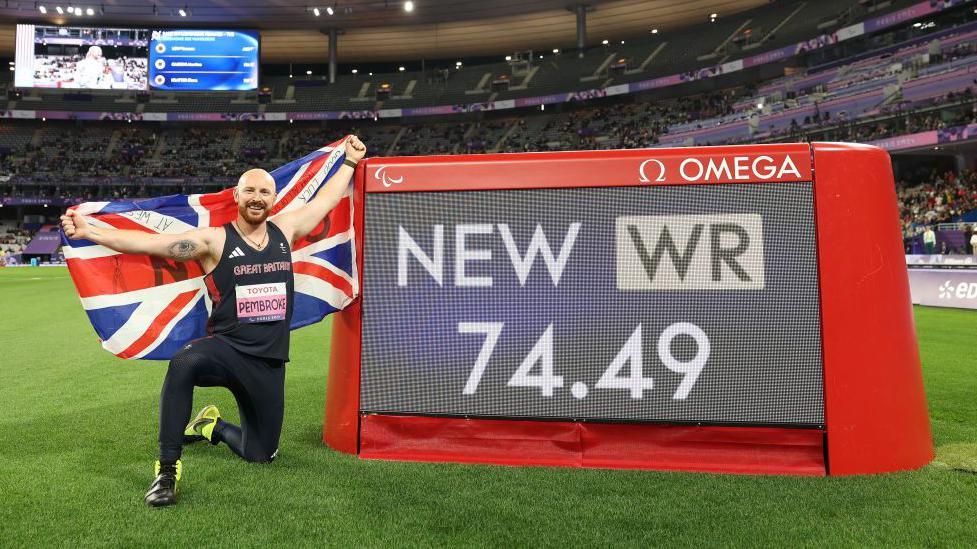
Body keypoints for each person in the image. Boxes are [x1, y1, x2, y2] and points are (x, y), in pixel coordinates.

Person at [60, 135, 367, 507]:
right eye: (249, 190)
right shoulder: (212, 241)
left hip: (268, 361)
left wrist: (349, 162)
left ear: (273, 199)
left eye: (264, 192)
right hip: (225, 351)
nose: (257, 197)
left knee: (262, 454)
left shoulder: (286, 230)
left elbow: (325, 201)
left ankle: (211, 425)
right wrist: (90, 231)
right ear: (237, 197)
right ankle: (167, 471)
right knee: (185, 362)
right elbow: (147, 245)